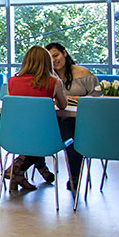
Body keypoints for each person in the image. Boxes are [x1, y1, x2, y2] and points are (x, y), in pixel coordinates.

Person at [5, 46, 68, 193]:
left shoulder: (12, 81)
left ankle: (18, 168)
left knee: (34, 137)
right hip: (43, 137)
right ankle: (18, 168)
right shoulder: (53, 82)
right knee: (47, 136)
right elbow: (63, 105)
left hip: (16, 134)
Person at [45, 42, 99, 191]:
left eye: (56, 55)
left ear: (65, 53)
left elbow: (97, 98)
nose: (54, 60)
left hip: (81, 121)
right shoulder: (47, 78)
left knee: (68, 125)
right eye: (50, 58)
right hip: (53, 119)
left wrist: (75, 98)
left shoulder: (84, 74)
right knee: (37, 127)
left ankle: (75, 175)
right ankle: (40, 169)